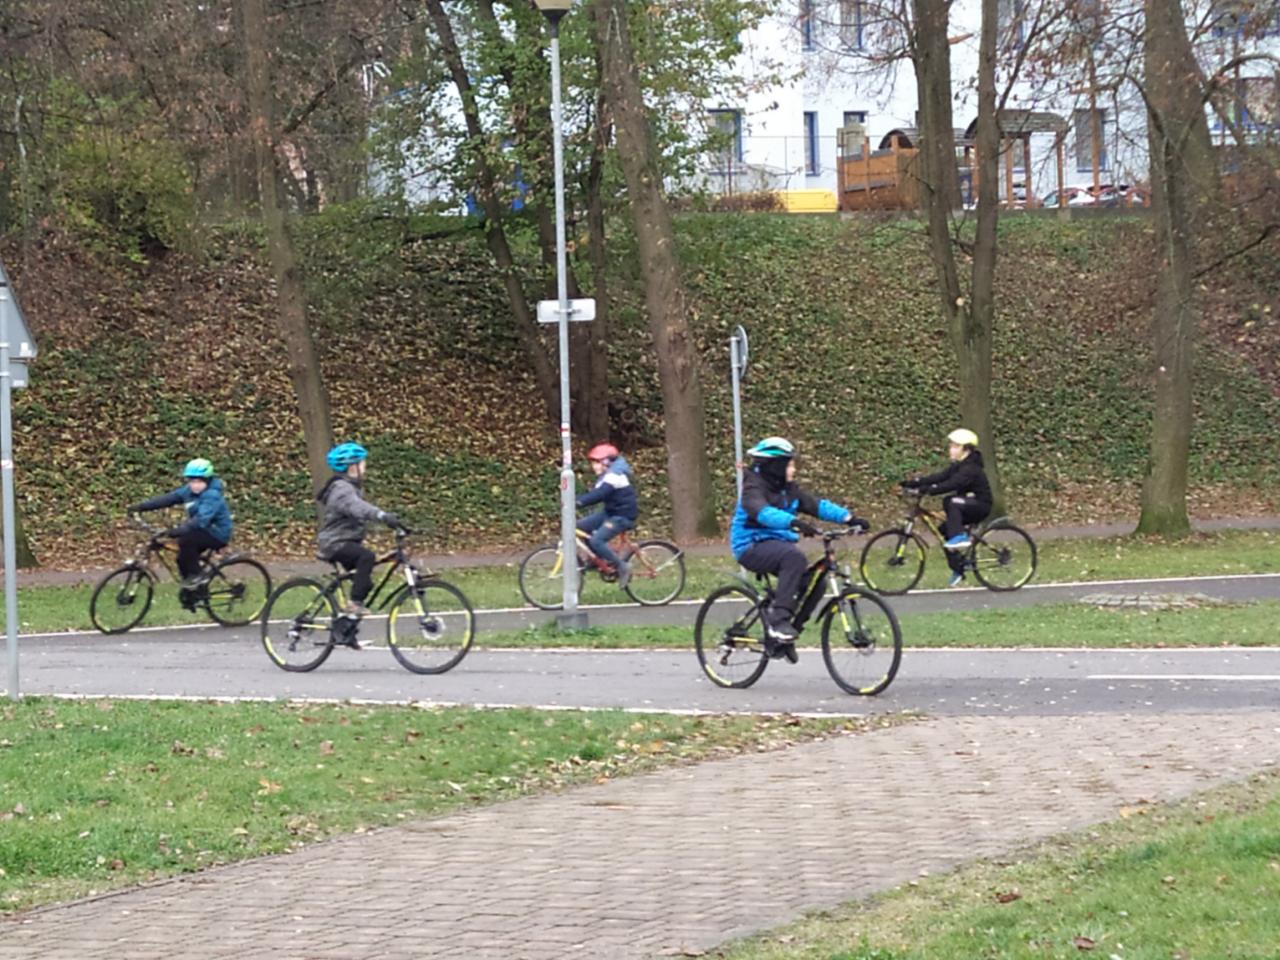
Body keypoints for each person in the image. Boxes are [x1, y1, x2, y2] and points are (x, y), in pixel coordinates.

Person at [730, 437, 869, 657]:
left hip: (777, 544)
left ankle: (788, 636)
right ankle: (778, 622)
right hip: (750, 545)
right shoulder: (753, 488)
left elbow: (816, 505)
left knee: (816, 581)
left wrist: (849, 518)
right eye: (790, 465)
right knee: (793, 558)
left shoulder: (788, 489)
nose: (794, 469)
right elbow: (763, 512)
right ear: (776, 466)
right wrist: (793, 522)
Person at [129, 458, 233, 611]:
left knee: (186, 541)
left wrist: (178, 531)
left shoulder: (212, 495)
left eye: (199, 481)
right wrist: (141, 507)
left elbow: (201, 520)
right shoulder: (188, 491)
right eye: (192, 481)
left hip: (217, 533)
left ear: (208, 480)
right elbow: (168, 499)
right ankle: (192, 593)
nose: (195, 485)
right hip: (200, 531)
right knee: (181, 558)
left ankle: (198, 579)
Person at [316, 442, 403, 625]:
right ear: (351, 466)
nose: (365, 467)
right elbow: (358, 508)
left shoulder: (352, 487)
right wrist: (381, 515)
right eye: (362, 463)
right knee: (366, 557)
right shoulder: (342, 489)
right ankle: (354, 605)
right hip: (335, 543)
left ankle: (346, 629)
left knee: (365, 583)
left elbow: (357, 517)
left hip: (346, 541)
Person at [902, 428, 993, 587]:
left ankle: (959, 537)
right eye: (951, 445)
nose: (951, 449)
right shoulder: (959, 465)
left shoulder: (971, 468)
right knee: (943, 532)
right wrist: (915, 483)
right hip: (966, 504)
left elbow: (953, 484)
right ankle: (958, 568)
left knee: (951, 501)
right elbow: (940, 477)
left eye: (955, 446)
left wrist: (929, 490)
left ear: (966, 449)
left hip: (980, 505)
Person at [575, 442, 638, 589]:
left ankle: (622, 566)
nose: (594, 467)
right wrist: (576, 500)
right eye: (593, 463)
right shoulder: (606, 475)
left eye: (597, 463)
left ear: (606, 462)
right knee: (579, 527)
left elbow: (600, 494)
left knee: (597, 540)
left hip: (622, 516)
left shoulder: (614, 476)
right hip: (610, 512)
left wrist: (578, 502)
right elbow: (595, 494)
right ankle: (597, 557)